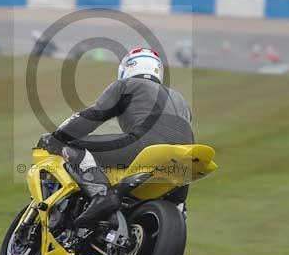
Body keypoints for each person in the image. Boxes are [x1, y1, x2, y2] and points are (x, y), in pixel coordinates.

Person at [41, 48, 194, 226]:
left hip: (145, 144)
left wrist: (58, 136)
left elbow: (92, 116)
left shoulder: (126, 85)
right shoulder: (180, 99)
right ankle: (177, 211)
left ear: (128, 67)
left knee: (72, 148)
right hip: (184, 159)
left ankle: (102, 196)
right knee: (178, 206)